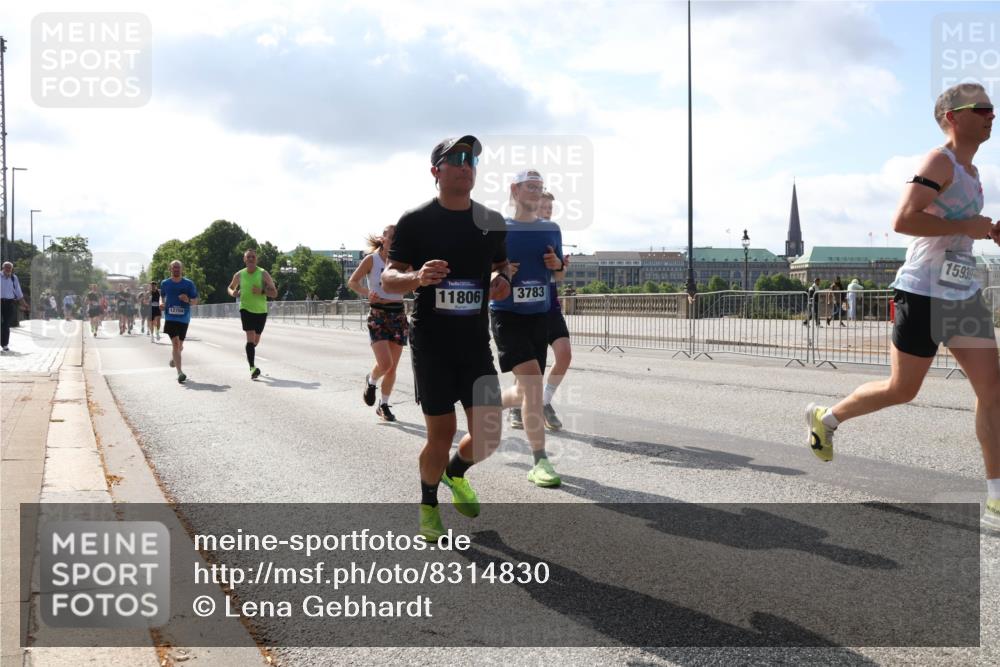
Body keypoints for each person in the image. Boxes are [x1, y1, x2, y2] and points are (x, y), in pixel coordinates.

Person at [806, 82, 999, 530]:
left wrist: (986, 231)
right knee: (902, 390)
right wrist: (968, 224)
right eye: (982, 108)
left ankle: (995, 499)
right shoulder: (940, 161)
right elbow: (902, 220)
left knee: (993, 393)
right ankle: (827, 417)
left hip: (962, 293)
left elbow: (955, 228)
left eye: (993, 108)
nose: (992, 114)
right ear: (952, 116)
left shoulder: (972, 172)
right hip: (922, 291)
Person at [382, 134, 511, 541]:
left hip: (475, 343)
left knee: (489, 434)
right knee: (440, 434)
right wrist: (417, 277)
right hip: (432, 345)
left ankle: (456, 473)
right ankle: (428, 504)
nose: (465, 163)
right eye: (455, 158)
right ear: (436, 171)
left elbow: (502, 267)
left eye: (471, 158)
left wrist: (500, 280)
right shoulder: (416, 221)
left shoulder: (490, 222)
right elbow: (389, 277)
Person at [491, 169, 564, 487]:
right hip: (508, 314)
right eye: (530, 186)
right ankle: (540, 461)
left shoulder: (551, 228)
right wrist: (501, 271)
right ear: (515, 190)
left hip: (540, 314)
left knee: (524, 391)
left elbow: (558, 276)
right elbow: (484, 274)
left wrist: (556, 267)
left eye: (540, 187)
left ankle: (489, 401)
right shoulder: (497, 228)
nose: (536, 191)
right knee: (533, 386)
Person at [348, 225, 408, 421]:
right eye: (391, 237)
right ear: (383, 239)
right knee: (385, 363)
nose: (394, 241)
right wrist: (369, 294)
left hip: (398, 315)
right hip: (378, 315)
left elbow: (414, 280)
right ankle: (372, 380)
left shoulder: (402, 261)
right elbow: (353, 282)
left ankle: (383, 405)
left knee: (392, 368)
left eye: (398, 238)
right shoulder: (371, 260)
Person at [538, 190, 571, 431]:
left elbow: (559, 275)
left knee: (565, 355)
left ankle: (544, 402)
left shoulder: (553, 233)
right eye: (544, 206)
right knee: (532, 364)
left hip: (551, 303)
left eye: (551, 207)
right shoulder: (517, 233)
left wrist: (560, 266)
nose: (549, 211)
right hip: (527, 306)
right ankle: (520, 405)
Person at [227, 249, 277, 379]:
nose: (250, 259)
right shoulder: (239, 274)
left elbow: (274, 293)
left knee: (255, 341)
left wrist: (262, 291)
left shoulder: (263, 273)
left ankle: (250, 352)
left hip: (261, 311)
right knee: (250, 336)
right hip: (246, 309)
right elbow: (230, 287)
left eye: (253, 257)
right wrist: (233, 293)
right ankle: (252, 368)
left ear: (256, 259)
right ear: (244, 260)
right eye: (248, 257)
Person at [160, 260, 199, 383]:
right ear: (170, 269)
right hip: (170, 317)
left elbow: (195, 301)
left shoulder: (188, 284)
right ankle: (180, 372)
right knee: (176, 343)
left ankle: (174, 358)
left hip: (184, 318)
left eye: (178, 267)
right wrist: (161, 303)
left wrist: (187, 299)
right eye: (174, 267)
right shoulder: (165, 283)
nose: (176, 269)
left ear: (182, 269)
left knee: (180, 346)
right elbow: (162, 296)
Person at [0, 262, 28, 354]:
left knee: (6, 324)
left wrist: (24, 304)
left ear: (12, 269)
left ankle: (5, 344)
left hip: (9, 302)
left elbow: (18, 292)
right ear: (3, 268)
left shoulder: (14, 278)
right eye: (6, 268)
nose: (8, 269)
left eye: (10, 268)